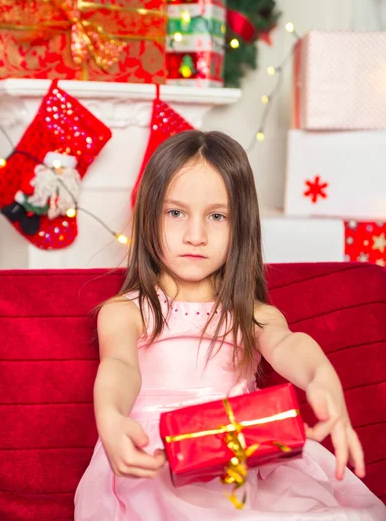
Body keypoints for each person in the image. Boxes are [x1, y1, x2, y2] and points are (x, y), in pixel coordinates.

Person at [74, 130, 385, 520]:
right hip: (157, 459)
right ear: (147, 215)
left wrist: (320, 376)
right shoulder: (125, 311)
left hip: (244, 453)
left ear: (241, 226)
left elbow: (289, 344)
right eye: (175, 213)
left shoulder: (252, 314)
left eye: (217, 216)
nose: (195, 235)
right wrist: (112, 417)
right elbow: (119, 367)